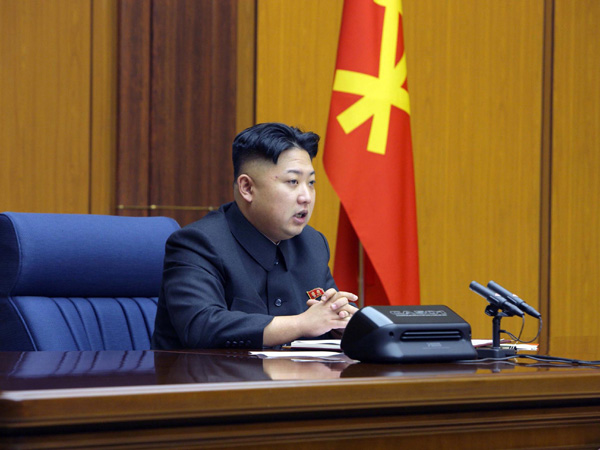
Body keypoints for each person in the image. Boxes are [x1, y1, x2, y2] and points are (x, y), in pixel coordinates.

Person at [152, 123, 358, 350]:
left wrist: (340, 323)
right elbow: (201, 325)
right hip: (209, 373)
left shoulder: (312, 244)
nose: (306, 197)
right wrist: (301, 324)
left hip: (297, 372)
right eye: (293, 182)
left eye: (311, 183)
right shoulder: (197, 243)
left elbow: (324, 318)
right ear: (247, 188)